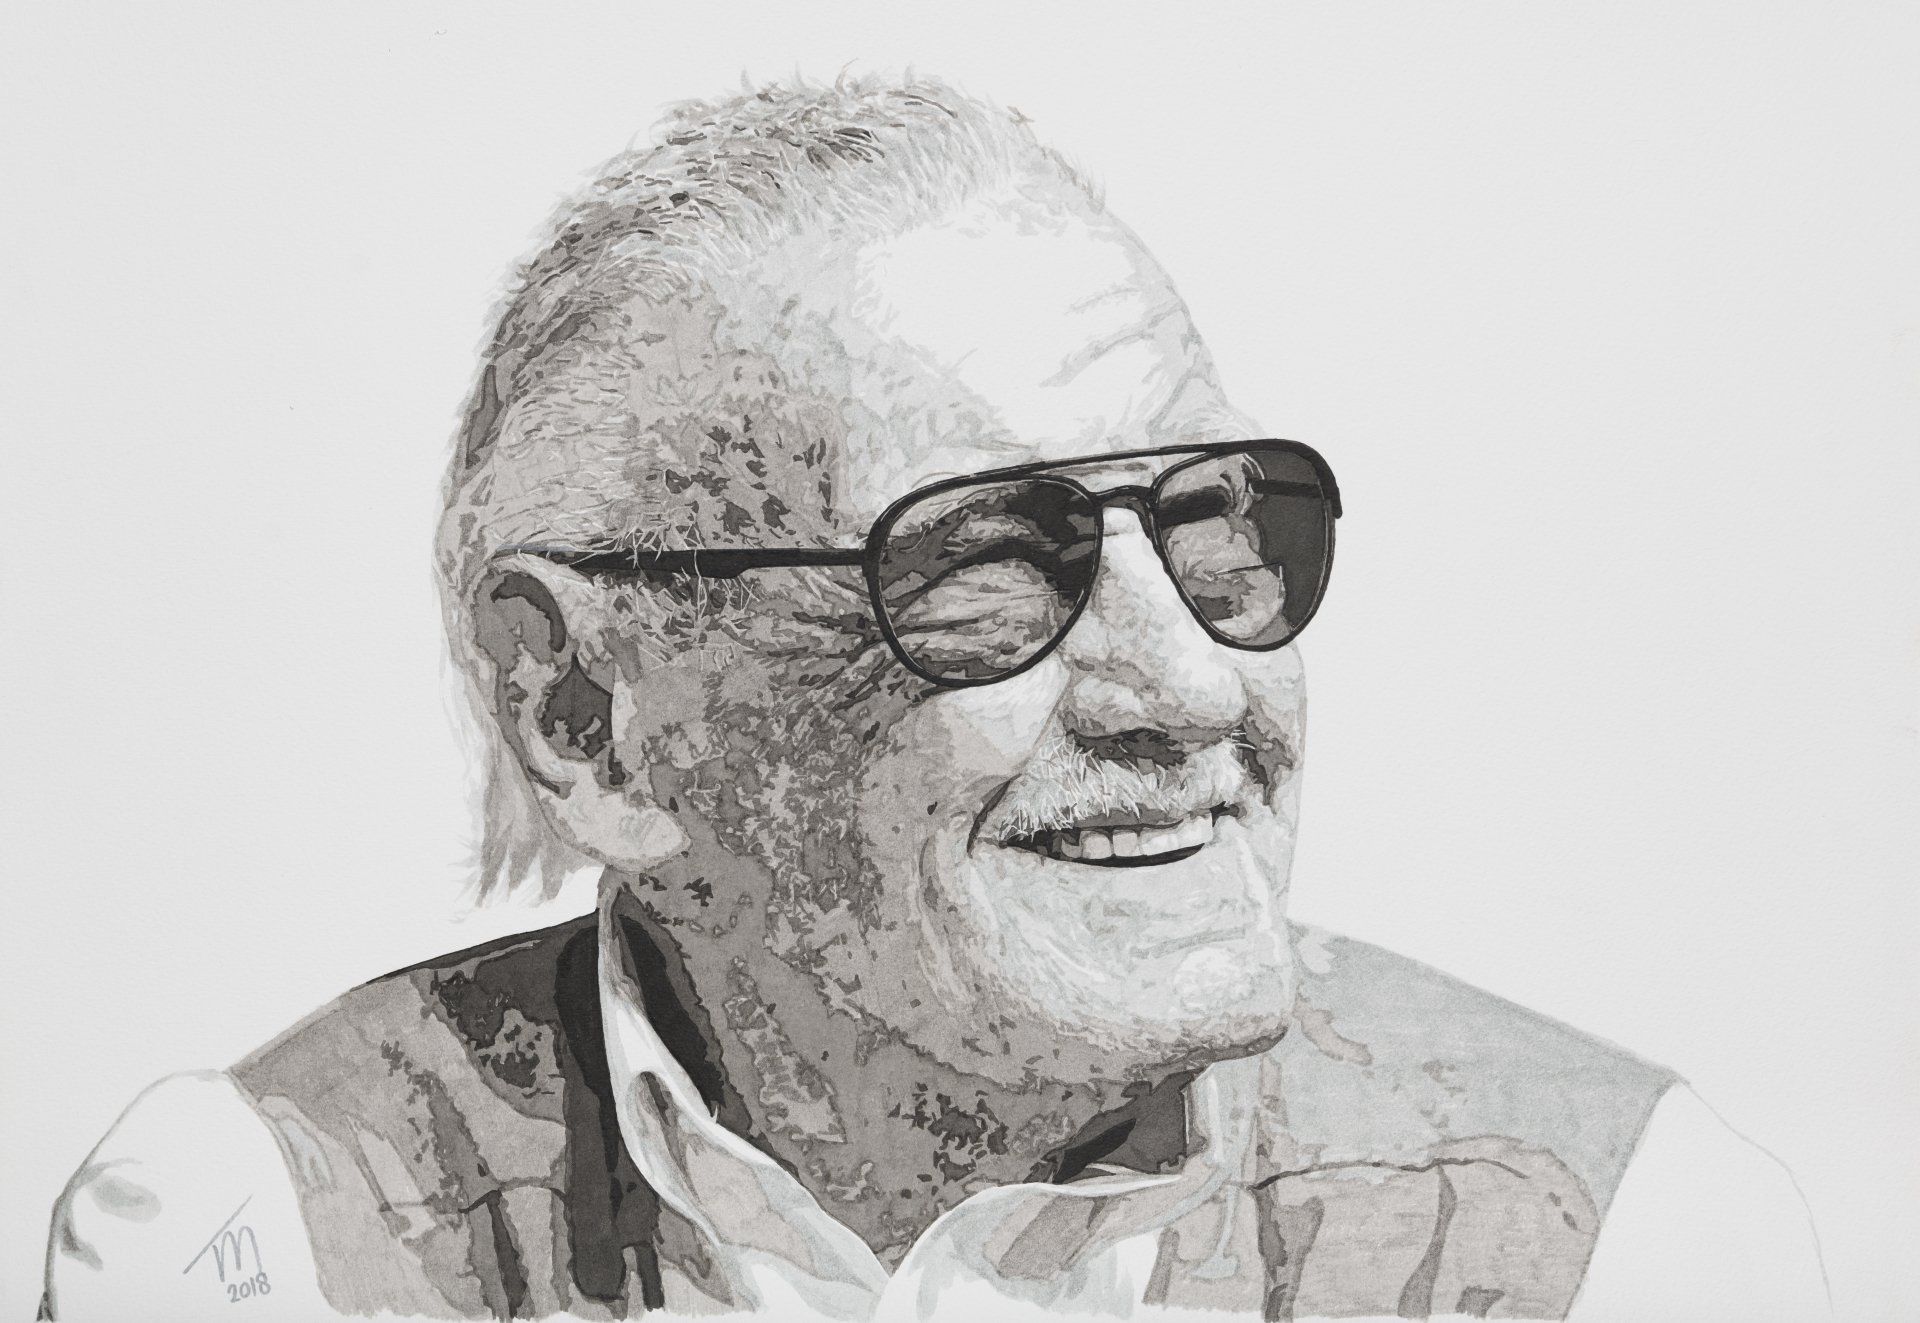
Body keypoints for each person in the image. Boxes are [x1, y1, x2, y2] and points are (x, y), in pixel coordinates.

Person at [41, 76, 1828, 1321]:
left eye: (1217, 527)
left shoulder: (1618, 1246)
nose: (1193, 682)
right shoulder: (264, 1239)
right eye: (987, 565)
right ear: (590, 715)